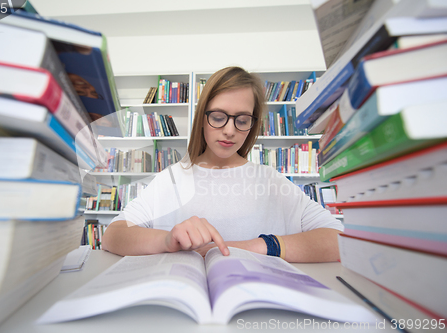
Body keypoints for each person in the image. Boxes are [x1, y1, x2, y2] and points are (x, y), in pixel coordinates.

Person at [102, 66, 343, 262]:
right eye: (218, 117)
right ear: (202, 118)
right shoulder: (171, 179)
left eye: (242, 120)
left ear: (253, 123)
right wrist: (167, 241)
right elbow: (113, 236)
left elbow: (338, 239)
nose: (229, 131)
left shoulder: (271, 181)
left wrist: (256, 246)